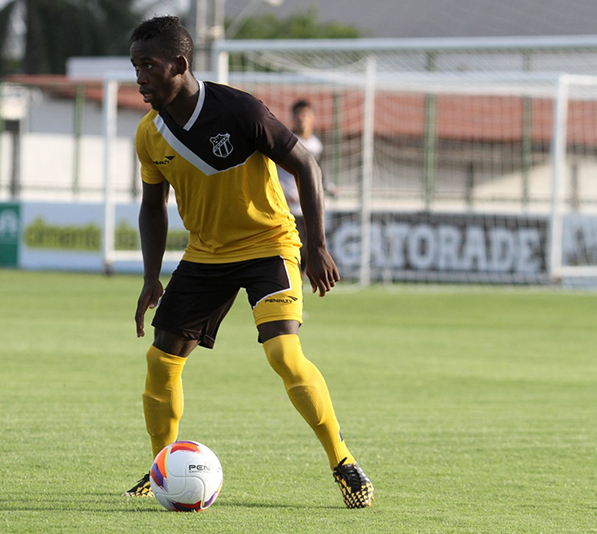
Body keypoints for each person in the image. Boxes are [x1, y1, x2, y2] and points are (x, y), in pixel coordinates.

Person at [123, 15, 373, 509]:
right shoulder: (150, 134)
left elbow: (305, 163)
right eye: (135, 66)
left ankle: (342, 460)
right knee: (161, 360)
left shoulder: (239, 110)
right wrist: (152, 277)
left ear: (179, 64)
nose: (140, 77)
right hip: (205, 254)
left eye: (148, 65)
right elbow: (153, 206)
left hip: (269, 245)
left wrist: (317, 245)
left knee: (283, 354)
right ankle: (161, 470)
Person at [276, 99, 324, 271]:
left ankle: (299, 284)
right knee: (291, 251)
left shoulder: (316, 145)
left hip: (308, 207)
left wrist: (328, 187)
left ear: (312, 117)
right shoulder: (286, 141)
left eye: (305, 114)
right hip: (286, 208)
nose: (302, 119)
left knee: (307, 251)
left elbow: (318, 175)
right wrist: (280, 193)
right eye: (298, 115)